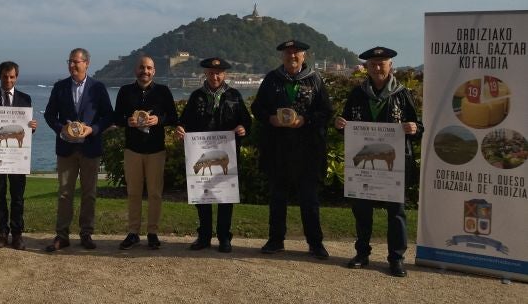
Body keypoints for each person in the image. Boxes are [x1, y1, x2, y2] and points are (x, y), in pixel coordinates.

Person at [335, 46, 423, 277]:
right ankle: (362, 253)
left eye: (382, 62)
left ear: (390, 65)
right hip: (365, 166)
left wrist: (413, 128)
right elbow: (347, 125)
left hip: (393, 165)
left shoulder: (402, 94)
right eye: (373, 63)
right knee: (362, 211)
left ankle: (396, 258)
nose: (377, 67)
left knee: (396, 213)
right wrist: (340, 125)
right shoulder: (357, 93)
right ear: (366, 67)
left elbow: (419, 127)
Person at [251, 40, 333, 259]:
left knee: (309, 200)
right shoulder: (271, 79)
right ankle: (276, 240)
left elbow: (326, 112)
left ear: (304, 56)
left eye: (296, 53)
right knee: (277, 198)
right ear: (282, 57)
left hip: (307, 150)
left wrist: (305, 120)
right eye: (288, 53)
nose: (292, 56)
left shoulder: (315, 79)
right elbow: (257, 107)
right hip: (278, 149)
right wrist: (270, 118)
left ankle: (315, 243)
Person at [176, 57, 252, 252]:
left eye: (218, 73)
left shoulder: (234, 95)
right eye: (211, 73)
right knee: (203, 196)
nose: (215, 76)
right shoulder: (196, 96)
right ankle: (204, 236)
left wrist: (243, 128)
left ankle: (224, 237)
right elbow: (184, 120)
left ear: (224, 74)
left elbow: (246, 121)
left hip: (226, 155)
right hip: (200, 154)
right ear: (205, 74)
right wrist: (181, 129)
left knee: (225, 198)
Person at [43, 48, 114, 251]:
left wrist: (93, 129)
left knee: (89, 193)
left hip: (90, 148)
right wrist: (62, 130)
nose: (72, 65)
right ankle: (62, 235)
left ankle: (86, 234)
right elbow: (49, 115)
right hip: (66, 149)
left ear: (87, 63)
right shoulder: (60, 87)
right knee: (64, 194)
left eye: (76, 62)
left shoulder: (98, 87)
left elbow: (109, 116)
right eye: (70, 62)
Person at [113, 55, 178, 250]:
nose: (145, 71)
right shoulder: (125, 92)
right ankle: (133, 233)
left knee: (155, 194)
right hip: (132, 150)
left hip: (156, 150)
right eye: (142, 67)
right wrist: (127, 122)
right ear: (136, 70)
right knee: (133, 193)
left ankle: (152, 232)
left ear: (154, 71)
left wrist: (159, 120)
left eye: (149, 68)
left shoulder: (163, 91)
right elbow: (117, 118)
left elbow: (173, 117)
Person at [0, 61, 38, 251]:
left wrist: (32, 128)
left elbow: (26, 132)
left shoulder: (25, 99)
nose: (8, 80)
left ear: (17, 77)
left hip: (17, 158)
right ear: (0, 76)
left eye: (12, 76)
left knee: (18, 197)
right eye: (5, 76)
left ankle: (18, 234)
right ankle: (2, 233)